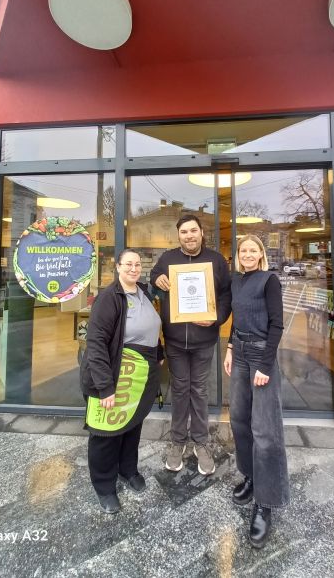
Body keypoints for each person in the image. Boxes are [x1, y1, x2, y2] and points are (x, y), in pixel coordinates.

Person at [80, 249, 163, 514]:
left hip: (141, 371)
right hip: (116, 372)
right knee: (106, 431)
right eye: (128, 264)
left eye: (137, 264)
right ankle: (104, 486)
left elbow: (150, 327)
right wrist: (105, 387)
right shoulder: (109, 298)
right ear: (117, 267)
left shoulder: (143, 292)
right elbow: (96, 344)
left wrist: (158, 354)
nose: (133, 268)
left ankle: (127, 470)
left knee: (132, 424)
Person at [150, 214, 231, 475]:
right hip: (174, 340)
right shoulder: (167, 259)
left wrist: (217, 318)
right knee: (180, 389)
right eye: (184, 232)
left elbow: (227, 294)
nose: (189, 236)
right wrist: (156, 280)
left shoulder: (216, 260)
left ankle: (201, 442)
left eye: (193, 231)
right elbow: (153, 277)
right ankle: (177, 441)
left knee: (199, 390)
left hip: (204, 340)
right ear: (179, 236)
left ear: (201, 233)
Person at [224, 234, 289, 549]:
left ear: (261, 254)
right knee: (238, 419)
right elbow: (237, 319)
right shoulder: (238, 282)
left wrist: (264, 365)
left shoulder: (269, 281)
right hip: (239, 353)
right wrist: (229, 347)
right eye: (243, 250)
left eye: (253, 250)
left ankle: (265, 503)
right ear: (238, 255)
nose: (247, 254)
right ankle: (250, 476)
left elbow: (277, 324)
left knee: (265, 429)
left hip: (261, 355)